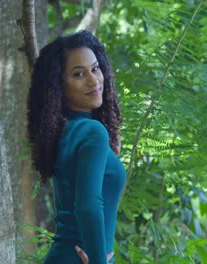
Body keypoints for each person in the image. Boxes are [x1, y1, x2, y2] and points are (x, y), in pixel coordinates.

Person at [27, 30, 125, 264]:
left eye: (95, 69)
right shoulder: (92, 132)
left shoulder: (65, 132)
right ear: (59, 85)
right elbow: (88, 207)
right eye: (79, 74)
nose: (93, 80)